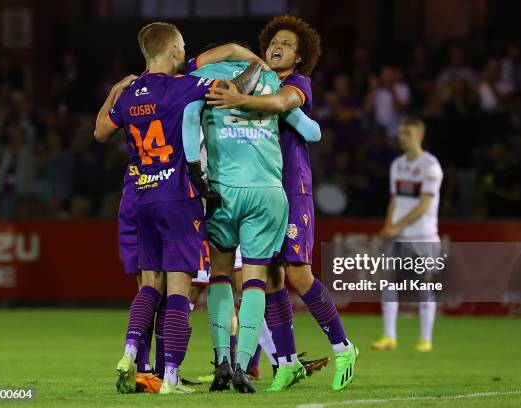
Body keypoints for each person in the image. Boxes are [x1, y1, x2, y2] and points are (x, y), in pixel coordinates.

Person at [93, 21, 263, 395]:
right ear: (172, 50)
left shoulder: (130, 93)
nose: (185, 54)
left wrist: (113, 93)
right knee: (179, 292)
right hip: (175, 195)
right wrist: (258, 68)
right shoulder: (184, 86)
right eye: (183, 47)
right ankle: (169, 375)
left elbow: (101, 131)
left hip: (138, 196)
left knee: (148, 286)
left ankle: (132, 355)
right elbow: (237, 92)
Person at [205, 15, 358, 392]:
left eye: (287, 44)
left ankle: (343, 347)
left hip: (292, 187)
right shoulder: (255, 77)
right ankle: (286, 362)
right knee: (269, 277)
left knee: (297, 273)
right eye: (274, 40)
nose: (278, 46)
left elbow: (283, 104)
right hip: (260, 188)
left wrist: (240, 100)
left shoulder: (296, 83)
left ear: (300, 56)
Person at [372, 117, 443, 353]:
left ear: (419, 136)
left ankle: (426, 339)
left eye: (408, 134)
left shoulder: (430, 166)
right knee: (389, 279)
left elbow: (424, 204)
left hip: (423, 235)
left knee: (423, 284)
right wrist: (388, 226)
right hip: (398, 235)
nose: (402, 138)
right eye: (401, 133)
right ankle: (389, 336)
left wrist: (396, 225)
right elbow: (395, 199)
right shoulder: (397, 164)